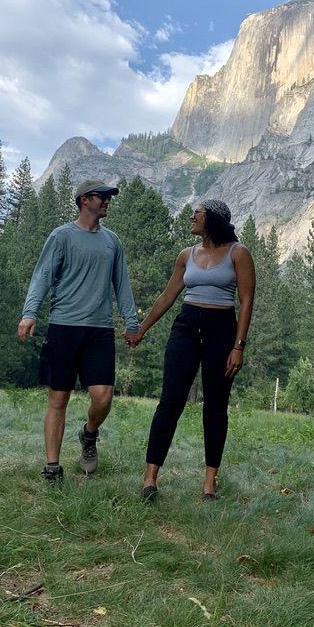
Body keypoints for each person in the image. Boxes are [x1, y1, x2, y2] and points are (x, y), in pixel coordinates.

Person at [125, 199, 255, 502]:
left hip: (222, 329)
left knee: (215, 406)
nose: (192, 217)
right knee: (170, 401)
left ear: (212, 219)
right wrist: (141, 329)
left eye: (197, 213)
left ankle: (209, 484)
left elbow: (247, 301)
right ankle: (150, 479)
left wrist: (238, 346)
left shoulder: (239, 253)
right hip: (186, 325)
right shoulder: (186, 255)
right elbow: (168, 296)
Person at [18, 179, 140, 483]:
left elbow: (121, 284)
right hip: (64, 327)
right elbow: (42, 276)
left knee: (103, 398)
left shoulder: (113, 242)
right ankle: (52, 467)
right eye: (103, 197)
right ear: (84, 200)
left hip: (99, 331)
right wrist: (29, 312)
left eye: (109, 198)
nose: (108, 201)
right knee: (58, 399)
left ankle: (88, 435)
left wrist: (131, 321)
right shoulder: (61, 236)